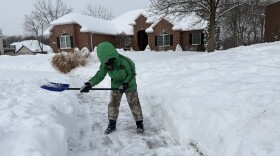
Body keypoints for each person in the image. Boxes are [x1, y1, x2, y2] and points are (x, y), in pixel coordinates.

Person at [80, 42, 144, 134]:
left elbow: (131, 74)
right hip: (116, 84)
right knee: (113, 104)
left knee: (134, 103)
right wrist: (89, 84)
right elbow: (99, 76)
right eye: (105, 61)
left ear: (114, 56)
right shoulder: (105, 65)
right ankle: (112, 124)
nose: (107, 63)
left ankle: (139, 124)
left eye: (109, 60)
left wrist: (125, 84)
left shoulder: (125, 61)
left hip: (129, 83)